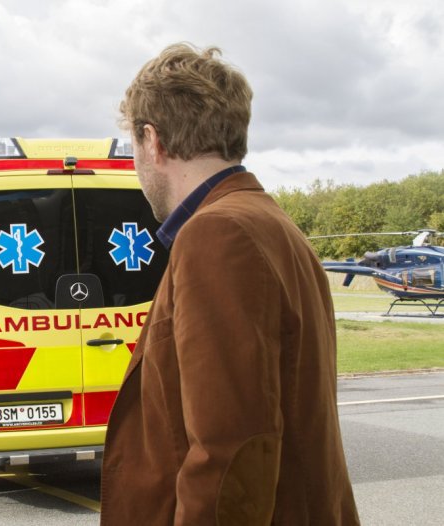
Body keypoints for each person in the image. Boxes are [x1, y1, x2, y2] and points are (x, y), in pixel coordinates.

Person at [100, 43, 360, 525]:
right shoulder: (270, 221)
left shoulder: (217, 233)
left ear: (152, 141)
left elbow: (233, 447)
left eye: (135, 146)